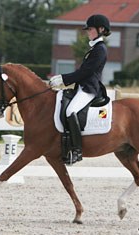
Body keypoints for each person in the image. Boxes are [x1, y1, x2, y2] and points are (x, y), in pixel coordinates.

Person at [49, 14, 111, 164]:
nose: (88, 32)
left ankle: (76, 150)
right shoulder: (95, 48)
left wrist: (63, 79)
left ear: (101, 29)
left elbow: (86, 72)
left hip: (89, 89)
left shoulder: (100, 49)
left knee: (71, 111)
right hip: (82, 87)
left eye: (90, 29)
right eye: (88, 29)